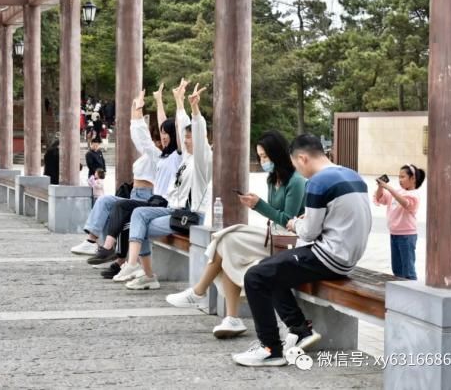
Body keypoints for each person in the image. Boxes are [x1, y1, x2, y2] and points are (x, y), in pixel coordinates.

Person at [232, 134, 372, 367]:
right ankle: (300, 329)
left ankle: (270, 348)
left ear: (303, 158)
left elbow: (307, 233)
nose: (297, 169)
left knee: (255, 276)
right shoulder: (351, 174)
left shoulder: (318, 182)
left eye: (296, 164)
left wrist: (294, 223)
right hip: (347, 257)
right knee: (269, 270)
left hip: (328, 257)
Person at [166, 130, 307, 338]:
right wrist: (259, 205)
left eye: (265, 156)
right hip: (271, 237)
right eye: (260, 156)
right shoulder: (272, 179)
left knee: (228, 238)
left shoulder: (296, 181)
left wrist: (259, 205)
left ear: (277, 154)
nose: (263, 161)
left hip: (287, 242)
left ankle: (201, 293)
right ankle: (229, 317)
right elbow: (274, 216)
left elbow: (288, 220)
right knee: (226, 241)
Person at [111, 83, 212, 290]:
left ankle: (136, 267)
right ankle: (145, 273)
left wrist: (195, 110)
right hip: (173, 210)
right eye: (184, 137)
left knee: (138, 218)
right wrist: (180, 104)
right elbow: (181, 125)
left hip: (189, 216)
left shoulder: (203, 160)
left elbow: (197, 132)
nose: (185, 141)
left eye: (189, 138)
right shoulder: (187, 158)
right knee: (139, 218)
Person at [70, 84, 182, 261]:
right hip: (142, 196)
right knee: (107, 202)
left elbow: (157, 133)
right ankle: (94, 243)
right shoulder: (160, 156)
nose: (162, 138)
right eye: (161, 135)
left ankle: (121, 259)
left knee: (127, 214)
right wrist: (138, 109)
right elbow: (148, 135)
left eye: (166, 135)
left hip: (153, 199)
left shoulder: (175, 156)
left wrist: (175, 102)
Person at [374, 164, 425, 280]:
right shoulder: (396, 192)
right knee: (397, 269)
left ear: (413, 179)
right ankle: (400, 294)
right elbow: (379, 198)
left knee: (408, 270)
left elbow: (405, 203)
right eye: (399, 177)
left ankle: (413, 294)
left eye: (403, 177)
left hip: (407, 236)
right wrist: (381, 187)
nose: (400, 180)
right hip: (394, 234)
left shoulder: (414, 195)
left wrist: (388, 187)